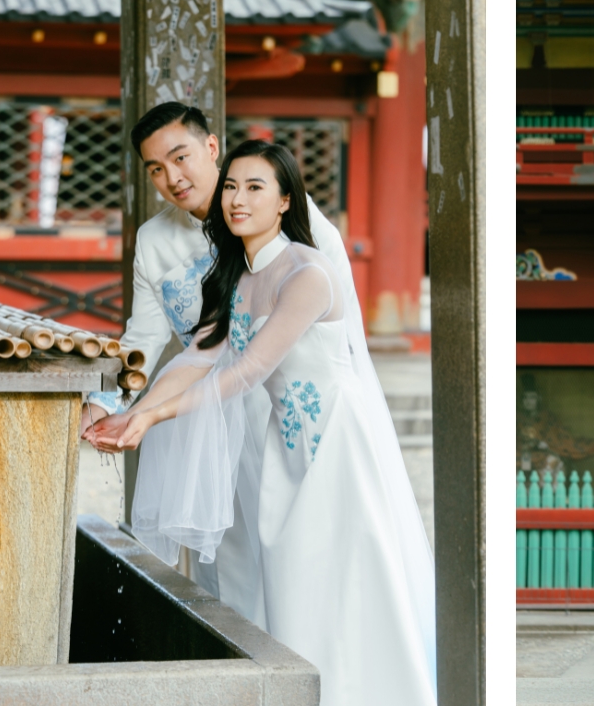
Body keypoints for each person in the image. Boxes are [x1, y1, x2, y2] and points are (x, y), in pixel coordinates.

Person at [88, 140, 436, 705]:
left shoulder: (307, 272)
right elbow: (197, 358)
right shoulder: (237, 279)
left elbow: (246, 371)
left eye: (255, 188)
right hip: (283, 445)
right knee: (290, 580)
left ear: (284, 202)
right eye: (231, 187)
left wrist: (154, 415)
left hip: (334, 442)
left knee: (343, 573)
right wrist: (132, 411)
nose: (236, 198)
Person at [80, 102, 354, 604]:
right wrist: (108, 403)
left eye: (181, 157)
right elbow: (145, 339)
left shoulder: (282, 213)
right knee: (228, 569)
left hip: (288, 405)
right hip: (205, 411)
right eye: (156, 169)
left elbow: (339, 320)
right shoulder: (155, 240)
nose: (172, 177)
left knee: (300, 557)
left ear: (211, 147)